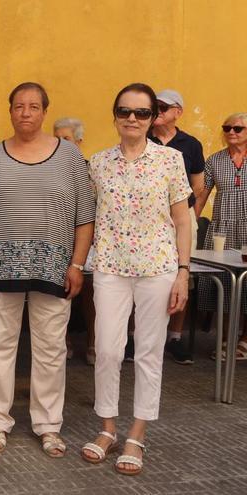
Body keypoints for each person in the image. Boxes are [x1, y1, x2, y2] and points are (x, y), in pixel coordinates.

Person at [0, 82, 95, 458]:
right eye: (19, 105)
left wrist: (76, 265)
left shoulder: (70, 157)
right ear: (10, 111)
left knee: (51, 350)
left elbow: (85, 218)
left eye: (34, 106)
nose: (26, 112)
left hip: (55, 270)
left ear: (44, 112)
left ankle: (48, 425)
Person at [80, 83, 191, 476]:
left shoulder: (171, 161)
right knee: (108, 349)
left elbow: (182, 220)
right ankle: (107, 427)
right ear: (114, 115)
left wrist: (183, 271)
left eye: (142, 113)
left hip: (158, 268)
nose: (132, 118)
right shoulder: (98, 163)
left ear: (153, 118)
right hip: (110, 266)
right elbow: (88, 219)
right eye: (125, 111)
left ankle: (137, 433)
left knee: (148, 351)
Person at [149, 89, 205, 365]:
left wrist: (189, 214)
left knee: (183, 274)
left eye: (162, 106)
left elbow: (199, 184)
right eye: (154, 105)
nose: (156, 110)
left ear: (178, 111)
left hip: (181, 216)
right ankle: (137, 336)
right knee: (145, 273)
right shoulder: (143, 137)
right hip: (149, 219)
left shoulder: (190, 144)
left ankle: (176, 336)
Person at [195, 112, 247, 358]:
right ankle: (225, 339)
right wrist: (190, 222)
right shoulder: (214, 160)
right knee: (223, 284)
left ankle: (245, 340)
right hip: (222, 229)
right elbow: (202, 193)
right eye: (227, 128)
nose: (231, 132)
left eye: (238, 128)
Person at [54, 117, 96, 365]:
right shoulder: (47, 167)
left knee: (92, 292)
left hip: (87, 241)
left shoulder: (90, 169)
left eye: (66, 139)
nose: (59, 143)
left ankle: (92, 341)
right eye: (56, 138)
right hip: (58, 241)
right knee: (59, 291)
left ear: (78, 142)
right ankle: (64, 340)